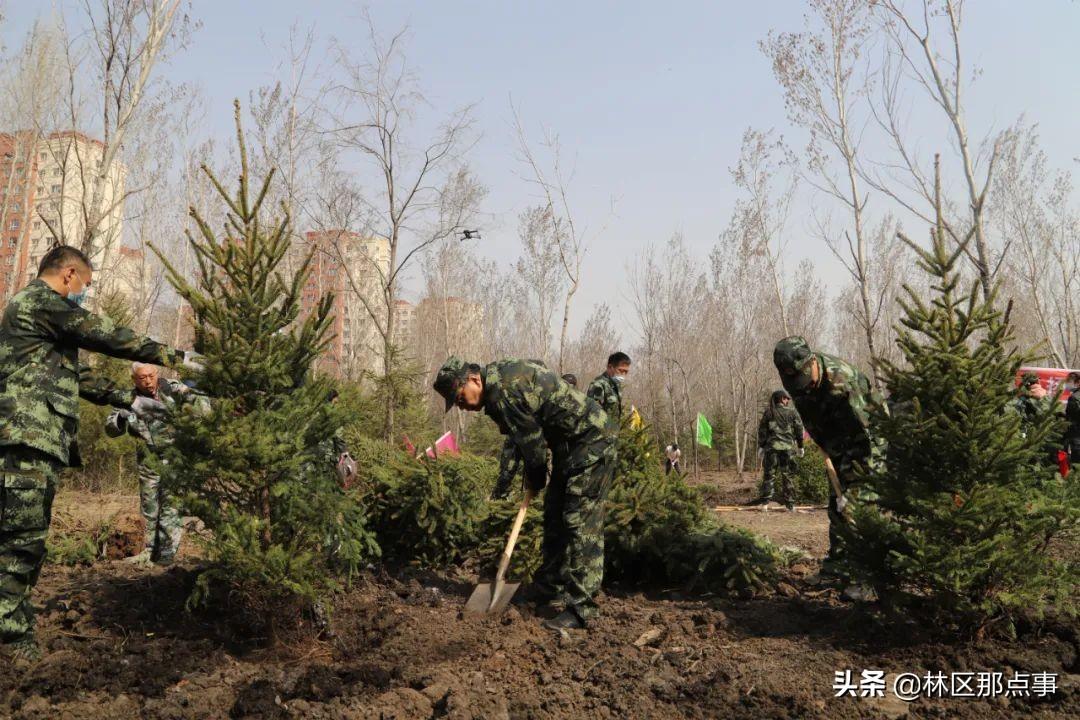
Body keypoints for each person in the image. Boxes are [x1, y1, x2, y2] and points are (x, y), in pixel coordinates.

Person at [0, 245, 200, 661]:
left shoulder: (41, 322)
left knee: (24, 536)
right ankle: (11, 640)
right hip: (25, 439)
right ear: (69, 275)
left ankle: (13, 624)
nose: (84, 295)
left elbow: (78, 377)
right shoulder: (39, 301)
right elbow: (105, 335)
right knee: (21, 540)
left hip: (33, 440)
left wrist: (127, 399)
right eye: (85, 286)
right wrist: (176, 358)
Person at [434, 356, 616, 630]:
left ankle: (581, 609)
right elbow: (525, 436)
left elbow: (534, 447)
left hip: (591, 442)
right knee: (553, 517)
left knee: (581, 524)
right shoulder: (498, 381)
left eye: (460, 397)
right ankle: (550, 591)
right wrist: (535, 476)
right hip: (569, 447)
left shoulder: (504, 391)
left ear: (473, 379)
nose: (462, 406)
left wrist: (535, 478)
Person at [773, 336, 884, 584]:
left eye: (800, 378)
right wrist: (828, 451)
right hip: (836, 442)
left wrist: (858, 485)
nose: (799, 386)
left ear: (811, 362)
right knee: (837, 505)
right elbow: (813, 419)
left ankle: (870, 578)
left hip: (868, 443)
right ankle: (838, 568)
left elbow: (868, 437)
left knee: (858, 506)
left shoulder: (843, 383)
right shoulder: (800, 385)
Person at [105, 363, 208, 566]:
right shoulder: (128, 399)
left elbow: (203, 407)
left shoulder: (173, 389)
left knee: (171, 506)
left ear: (157, 374)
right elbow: (110, 429)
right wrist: (119, 417)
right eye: (142, 378)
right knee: (149, 506)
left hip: (175, 456)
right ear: (134, 379)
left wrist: (193, 424)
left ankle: (166, 555)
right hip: (148, 459)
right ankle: (146, 551)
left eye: (151, 375)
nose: (148, 381)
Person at [753, 389, 805, 511]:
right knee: (788, 476)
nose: (788, 401)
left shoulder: (769, 412)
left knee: (769, 475)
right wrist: (801, 446)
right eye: (787, 398)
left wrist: (761, 446)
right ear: (782, 399)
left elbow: (762, 431)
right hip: (787, 448)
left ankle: (765, 503)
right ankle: (790, 505)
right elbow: (799, 429)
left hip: (771, 448)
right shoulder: (792, 412)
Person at [586, 352, 631, 425]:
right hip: (600, 432)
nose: (623, 374)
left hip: (612, 431)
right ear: (610, 367)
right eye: (620, 370)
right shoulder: (598, 384)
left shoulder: (615, 385)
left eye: (626, 372)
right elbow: (593, 413)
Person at [1062, 372, 1080, 466]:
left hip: (1076, 436)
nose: (1068, 384)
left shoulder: (1074, 397)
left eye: (1069, 382)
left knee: (1076, 465)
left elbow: (1072, 416)